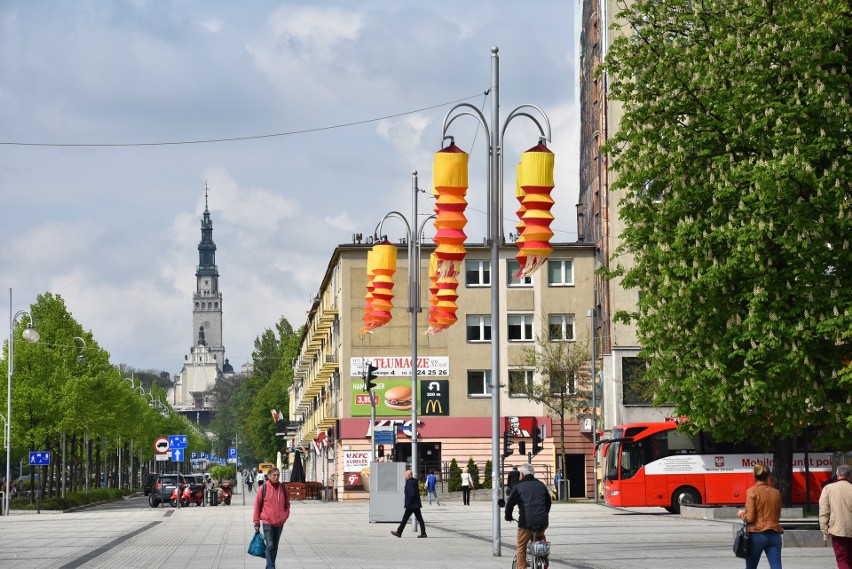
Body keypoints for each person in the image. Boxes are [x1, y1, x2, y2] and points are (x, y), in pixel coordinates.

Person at [505, 463, 551, 569]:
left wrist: (508, 516)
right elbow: (548, 503)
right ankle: (543, 560)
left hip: (526, 522)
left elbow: (509, 504)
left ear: (521, 474)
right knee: (540, 539)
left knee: (521, 546)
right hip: (542, 521)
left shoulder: (518, 486)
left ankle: (522, 567)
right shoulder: (541, 485)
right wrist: (543, 514)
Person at [737, 463, 783, 569]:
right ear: (769, 476)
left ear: (755, 476)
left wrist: (741, 514)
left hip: (756, 535)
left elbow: (750, 518)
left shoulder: (751, 491)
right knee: (777, 567)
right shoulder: (776, 493)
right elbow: (778, 514)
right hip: (774, 534)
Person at [253, 467, 291, 569]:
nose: (276, 477)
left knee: (275, 546)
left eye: (278, 475)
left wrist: (285, 515)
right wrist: (256, 522)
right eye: (274, 475)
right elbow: (257, 505)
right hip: (267, 522)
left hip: (279, 522)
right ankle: (271, 567)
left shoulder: (283, 488)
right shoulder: (263, 488)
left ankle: (269, 566)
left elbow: (287, 504)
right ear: (269, 476)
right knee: (270, 545)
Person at [820, 464, 852, 569]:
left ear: (837, 474)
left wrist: (824, 529)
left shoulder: (828, 488)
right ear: (850, 476)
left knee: (842, 559)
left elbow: (824, 511)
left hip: (838, 530)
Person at [391, 469, 426, 538]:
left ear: (408, 475)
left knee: (405, 518)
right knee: (419, 518)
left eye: (405, 474)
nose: (404, 475)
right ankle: (423, 533)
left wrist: (409, 502)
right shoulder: (414, 481)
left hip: (411, 505)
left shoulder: (410, 482)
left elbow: (412, 493)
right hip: (416, 504)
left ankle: (399, 532)